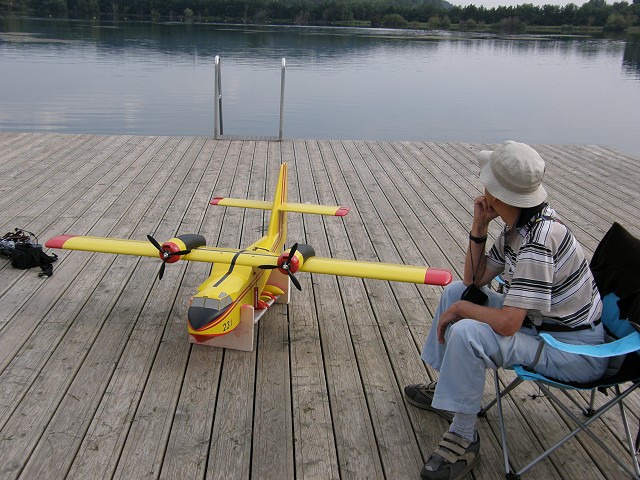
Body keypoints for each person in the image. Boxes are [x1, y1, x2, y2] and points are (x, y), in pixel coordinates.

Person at [404, 140, 608, 480]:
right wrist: (480, 227)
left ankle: (463, 434)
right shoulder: (520, 227)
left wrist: (462, 311)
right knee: (458, 290)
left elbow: (509, 324)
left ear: (497, 192)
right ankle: (447, 391)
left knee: (468, 330)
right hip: (540, 325)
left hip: (572, 349)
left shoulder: (538, 242)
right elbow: (474, 278)